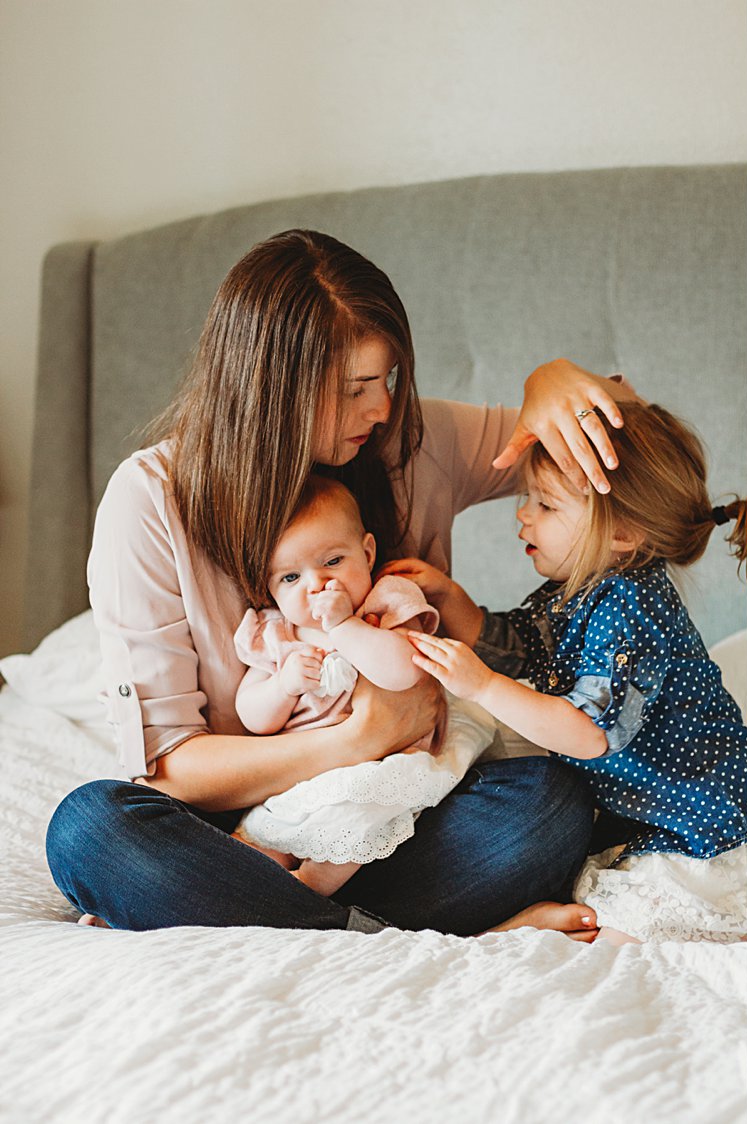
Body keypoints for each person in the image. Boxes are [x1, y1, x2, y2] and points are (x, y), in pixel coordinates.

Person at [46, 228, 634, 938]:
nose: (380, 409)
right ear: (271, 390)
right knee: (89, 828)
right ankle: (369, 933)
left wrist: (550, 381)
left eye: (385, 380)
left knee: (551, 798)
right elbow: (171, 768)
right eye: (353, 389)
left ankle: (276, 922)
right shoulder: (150, 501)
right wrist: (358, 738)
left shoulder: (411, 446)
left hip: (395, 822)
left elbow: (633, 437)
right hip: (241, 842)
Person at [395, 401, 747, 944]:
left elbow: (588, 732)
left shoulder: (630, 605)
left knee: (625, 928)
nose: (523, 515)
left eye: (546, 505)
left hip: (694, 823)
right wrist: (453, 602)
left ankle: (521, 930)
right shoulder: (579, 590)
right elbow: (522, 646)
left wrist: (485, 687)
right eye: (526, 500)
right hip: (636, 814)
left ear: (623, 533)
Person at [232, 475, 499, 897]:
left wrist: (344, 626)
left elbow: (402, 672)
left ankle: (306, 893)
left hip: (378, 766)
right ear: (269, 587)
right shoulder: (277, 634)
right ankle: (232, 891)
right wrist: (283, 687)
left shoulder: (385, 604)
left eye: (333, 562)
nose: (315, 584)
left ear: (367, 552)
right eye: (289, 578)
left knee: (358, 815)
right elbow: (252, 717)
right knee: (253, 839)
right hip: (299, 772)